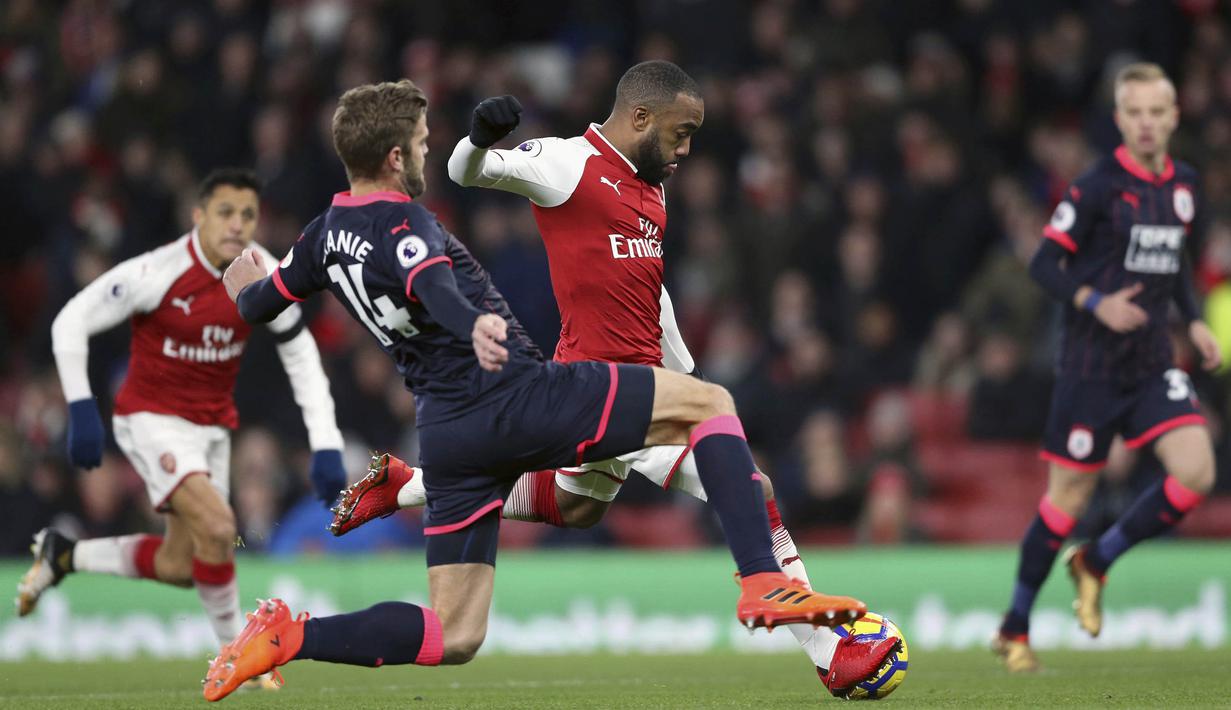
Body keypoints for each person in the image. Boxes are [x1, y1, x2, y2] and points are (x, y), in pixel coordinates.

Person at [201, 78, 869, 702]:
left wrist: (239, 268)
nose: (431, 155)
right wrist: (475, 324)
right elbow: (430, 283)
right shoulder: (407, 224)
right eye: (427, 144)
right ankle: (760, 581)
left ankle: (291, 633)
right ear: (396, 154)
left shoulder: (323, 236)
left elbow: (260, 303)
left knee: (454, 633)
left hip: (448, 431)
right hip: (517, 395)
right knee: (710, 405)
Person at [17, 169, 347, 682]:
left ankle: (65, 555)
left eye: (247, 215)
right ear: (198, 216)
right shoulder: (158, 270)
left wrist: (325, 443)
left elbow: (299, 348)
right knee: (220, 528)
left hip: (211, 429)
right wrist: (82, 407)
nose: (237, 225)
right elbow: (71, 320)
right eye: (225, 213)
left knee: (180, 564)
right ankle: (239, 660)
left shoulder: (261, 269)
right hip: (150, 418)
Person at [994, 63, 1220, 672]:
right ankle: (1015, 625)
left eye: (1157, 112)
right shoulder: (1097, 185)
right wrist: (1096, 301)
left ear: (1173, 117)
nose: (1147, 123)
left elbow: (1173, 262)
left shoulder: (1185, 185)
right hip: (1090, 368)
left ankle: (1098, 558)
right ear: (1120, 120)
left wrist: (1193, 319)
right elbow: (1044, 263)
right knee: (1065, 503)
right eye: (1135, 113)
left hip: (1150, 363)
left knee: (1196, 471)